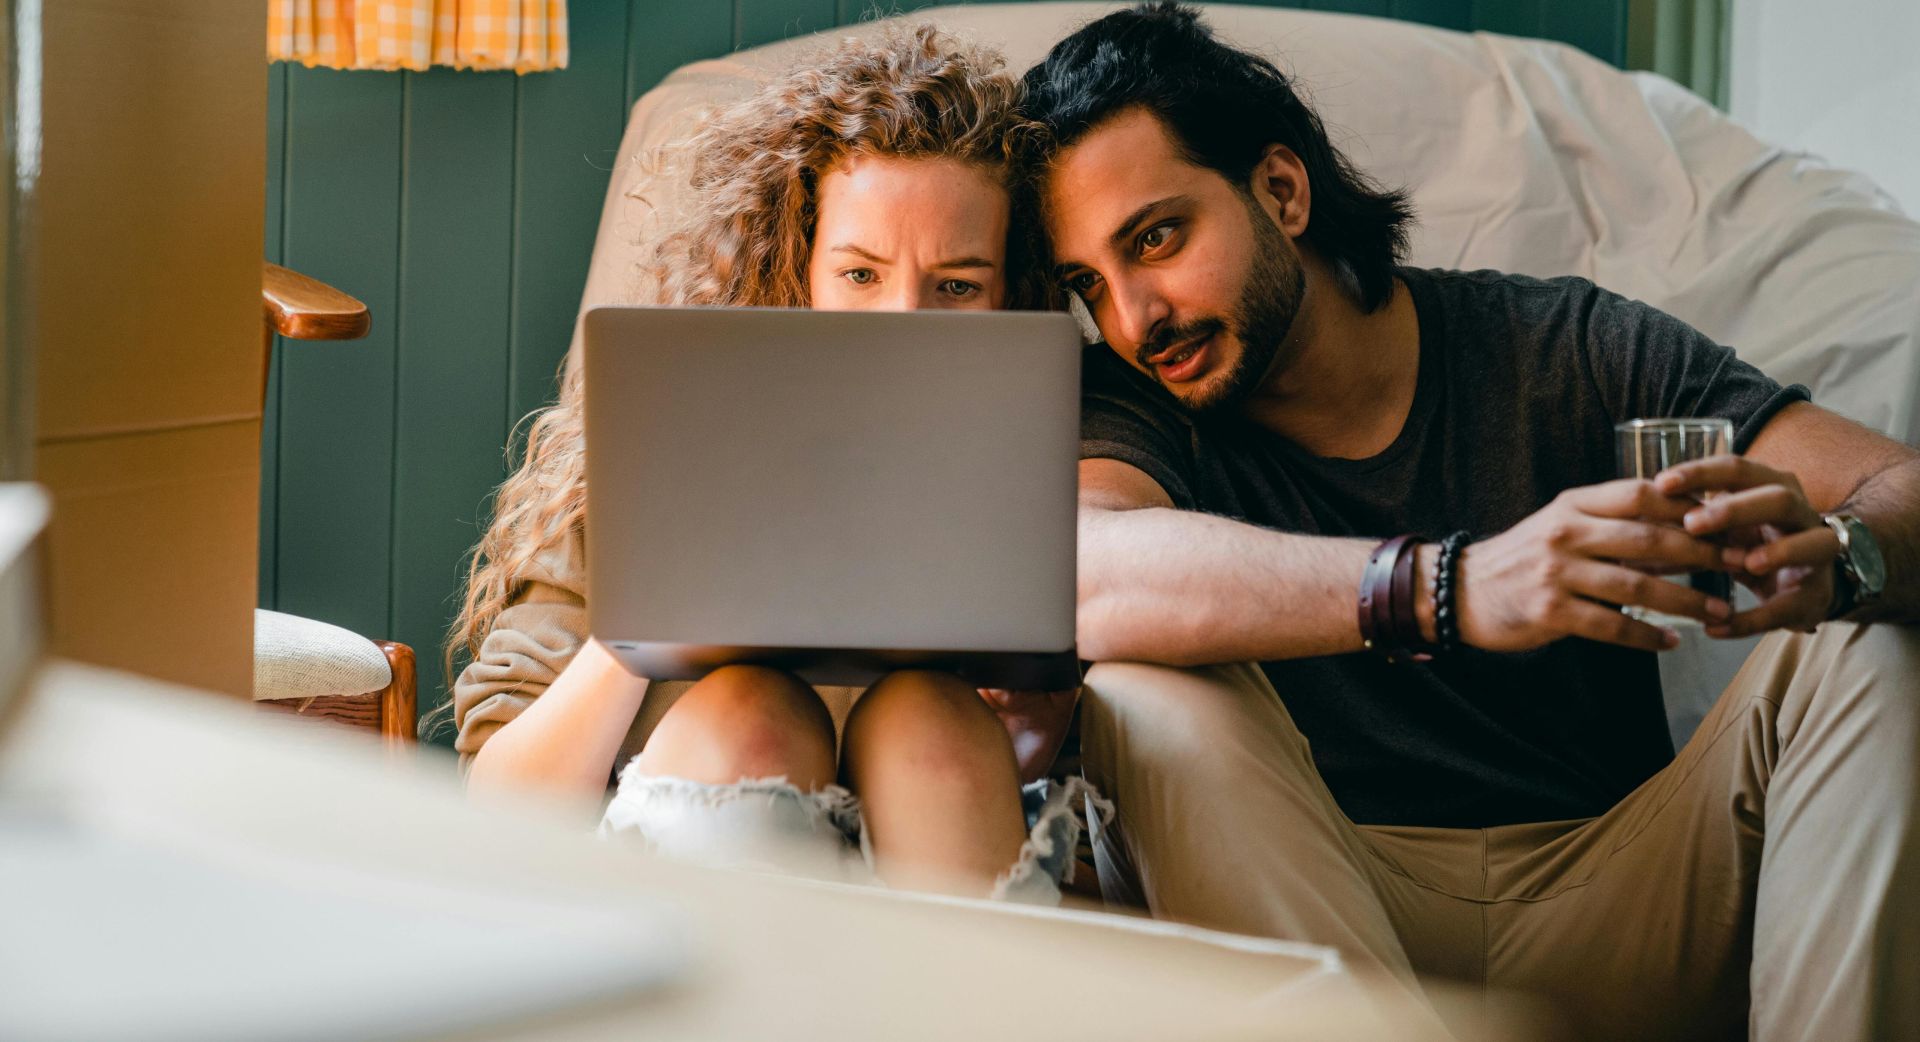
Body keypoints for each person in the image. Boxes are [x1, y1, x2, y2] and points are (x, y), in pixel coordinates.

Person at [1017, 4, 1920, 1039]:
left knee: (1871, 641)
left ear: (1281, 190)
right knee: (1146, 687)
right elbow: (1089, 573)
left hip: (1625, 893)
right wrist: (1452, 587)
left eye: (1158, 239)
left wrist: (1844, 557)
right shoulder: (1135, 401)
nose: (1135, 317)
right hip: (1330, 911)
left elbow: (1899, 486)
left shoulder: (1561, 347)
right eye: (1091, 282)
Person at [447, 26, 1089, 904]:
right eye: (861, 275)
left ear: (1010, 293)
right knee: (750, 707)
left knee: (929, 716)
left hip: (939, 870)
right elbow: (502, 805)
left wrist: (1029, 727)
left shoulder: (1068, 459)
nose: (903, 327)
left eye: (954, 287)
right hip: (690, 892)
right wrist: (644, 627)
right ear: (798, 268)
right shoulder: (654, 432)